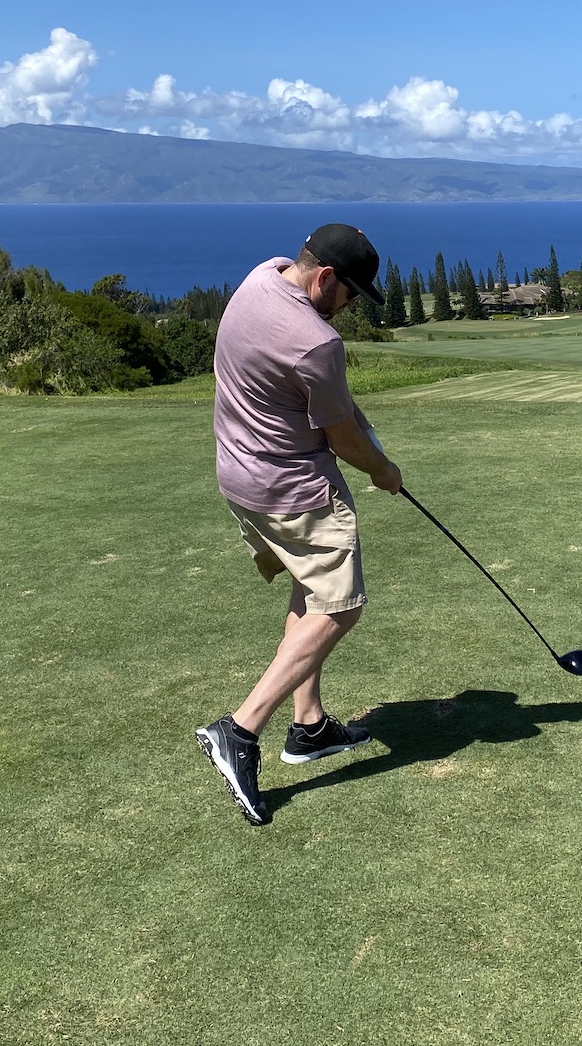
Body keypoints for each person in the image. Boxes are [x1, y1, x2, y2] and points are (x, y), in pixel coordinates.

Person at [194, 223, 403, 826]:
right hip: (295, 491)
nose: (350, 309)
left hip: (239, 478)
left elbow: (330, 405)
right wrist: (384, 470)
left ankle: (308, 727)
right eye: (350, 295)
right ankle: (238, 729)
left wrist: (358, 428)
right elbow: (341, 439)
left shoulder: (261, 276)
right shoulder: (316, 342)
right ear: (325, 278)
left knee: (310, 589)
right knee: (340, 607)